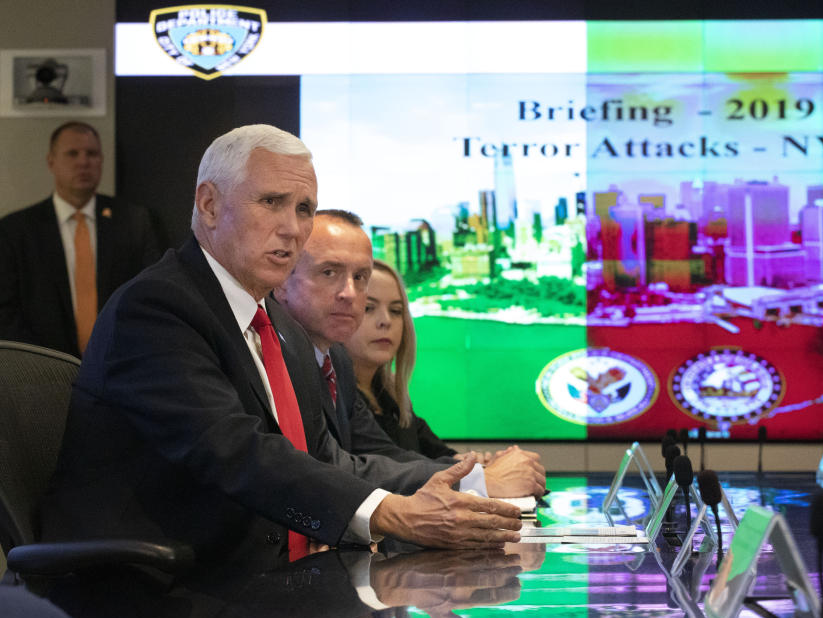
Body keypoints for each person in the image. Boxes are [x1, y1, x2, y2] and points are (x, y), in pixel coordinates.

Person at [40, 124, 530, 571]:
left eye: (304, 209)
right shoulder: (156, 308)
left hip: (273, 578)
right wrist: (393, 515)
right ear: (209, 205)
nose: (294, 228)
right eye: (271, 202)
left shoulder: (279, 324)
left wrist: (457, 494)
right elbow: (236, 451)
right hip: (166, 588)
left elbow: (321, 458)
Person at [274, 211, 545, 495]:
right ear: (282, 279)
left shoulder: (336, 363)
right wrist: (477, 480)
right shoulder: (276, 357)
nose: (350, 293)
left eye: (360, 277)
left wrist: (479, 472)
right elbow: (332, 468)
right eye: (329, 272)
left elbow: (384, 454)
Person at [0, 121, 160, 357]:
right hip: (42, 371)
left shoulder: (134, 221)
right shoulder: (15, 230)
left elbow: (152, 294)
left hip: (121, 367)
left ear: (101, 161)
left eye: (92, 154)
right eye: (72, 153)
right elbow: (5, 312)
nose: (83, 162)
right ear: (51, 162)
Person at [345, 258, 500, 460]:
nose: (385, 321)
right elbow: (395, 465)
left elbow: (442, 456)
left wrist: (482, 464)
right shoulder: (338, 396)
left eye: (396, 311)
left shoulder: (393, 397)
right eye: (368, 308)